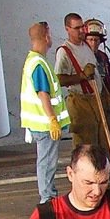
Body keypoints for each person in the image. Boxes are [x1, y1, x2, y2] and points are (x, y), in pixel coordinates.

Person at [19, 21, 70, 204]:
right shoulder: (39, 63)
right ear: (46, 37)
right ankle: (47, 198)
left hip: (40, 124)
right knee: (47, 162)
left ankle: (48, 195)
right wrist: (52, 119)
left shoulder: (33, 60)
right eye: (50, 34)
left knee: (45, 162)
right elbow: (43, 94)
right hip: (45, 125)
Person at [54, 12, 101, 152]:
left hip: (95, 99)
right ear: (67, 29)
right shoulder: (64, 51)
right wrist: (81, 76)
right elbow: (59, 79)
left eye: (82, 27)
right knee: (84, 145)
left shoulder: (86, 46)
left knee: (99, 141)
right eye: (76, 28)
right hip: (80, 102)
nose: (81, 31)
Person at [84, 18, 110, 138]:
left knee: (108, 135)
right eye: (90, 40)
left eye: (97, 40)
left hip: (103, 99)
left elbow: (107, 80)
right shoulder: (79, 57)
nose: (94, 43)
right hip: (87, 102)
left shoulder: (102, 57)